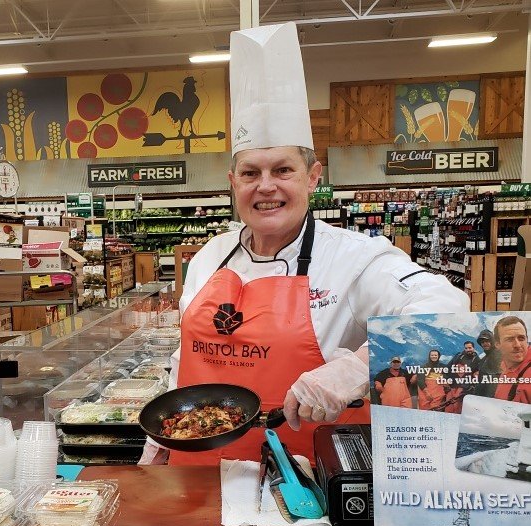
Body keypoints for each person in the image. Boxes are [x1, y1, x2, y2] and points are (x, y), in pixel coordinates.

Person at [140, 22, 467, 465]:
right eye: (251, 173)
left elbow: (447, 308)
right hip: (199, 475)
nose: (266, 187)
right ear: (233, 183)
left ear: (313, 178)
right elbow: (187, 359)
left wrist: (355, 368)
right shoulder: (208, 259)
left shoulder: (356, 257)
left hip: (309, 477)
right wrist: (158, 444)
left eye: (283, 170)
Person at [492, 315, 531, 403]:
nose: (517, 345)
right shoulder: (505, 368)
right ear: (497, 344)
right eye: (509, 339)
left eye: (521, 338)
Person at [475, 328, 502, 398]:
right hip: (481, 396)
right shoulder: (484, 358)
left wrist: (489, 400)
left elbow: (494, 380)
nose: (484, 344)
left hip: (490, 398)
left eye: (487, 341)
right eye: (482, 342)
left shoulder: (498, 355)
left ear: (492, 341)